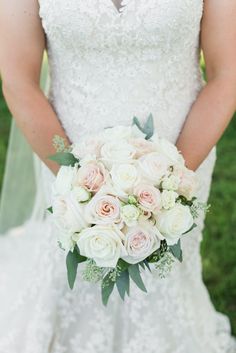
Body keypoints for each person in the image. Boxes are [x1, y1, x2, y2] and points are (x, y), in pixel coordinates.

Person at [0, 0, 235, 352]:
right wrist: (78, 183)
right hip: (66, 156)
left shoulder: (175, 177)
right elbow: (19, 79)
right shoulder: (73, 177)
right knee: (74, 272)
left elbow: (227, 75)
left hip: (183, 154)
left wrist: (171, 183)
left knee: (165, 276)